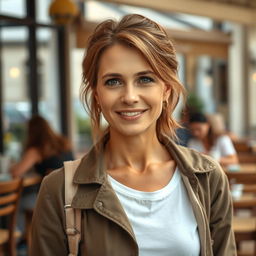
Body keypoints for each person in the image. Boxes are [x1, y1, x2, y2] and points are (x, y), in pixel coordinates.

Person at [31, 14, 236, 256]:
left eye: (145, 79)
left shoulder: (208, 178)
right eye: (113, 81)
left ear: (166, 90)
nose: (129, 96)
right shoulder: (58, 189)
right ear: (96, 94)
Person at [10, 115, 74, 234]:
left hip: (50, 199)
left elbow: (16, 172)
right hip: (69, 196)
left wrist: (12, 166)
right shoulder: (64, 143)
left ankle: (20, 239)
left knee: (16, 202)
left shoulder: (37, 149)